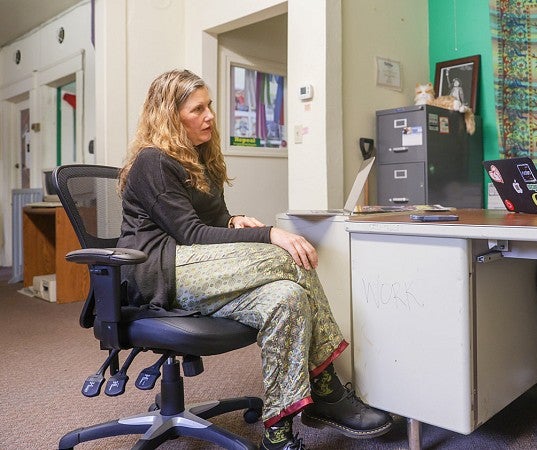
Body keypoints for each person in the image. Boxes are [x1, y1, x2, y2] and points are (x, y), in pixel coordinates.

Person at [117, 69, 392, 450]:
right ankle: (328, 389)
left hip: (199, 269)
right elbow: (191, 234)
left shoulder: (200, 157)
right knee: (287, 256)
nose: (210, 115)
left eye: (209, 105)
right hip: (160, 271)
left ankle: (277, 432)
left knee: (287, 299)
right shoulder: (153, 161)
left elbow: (209, 224)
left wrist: (232, 219)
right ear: (169, 116)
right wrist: (269, 234)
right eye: (197, 109)